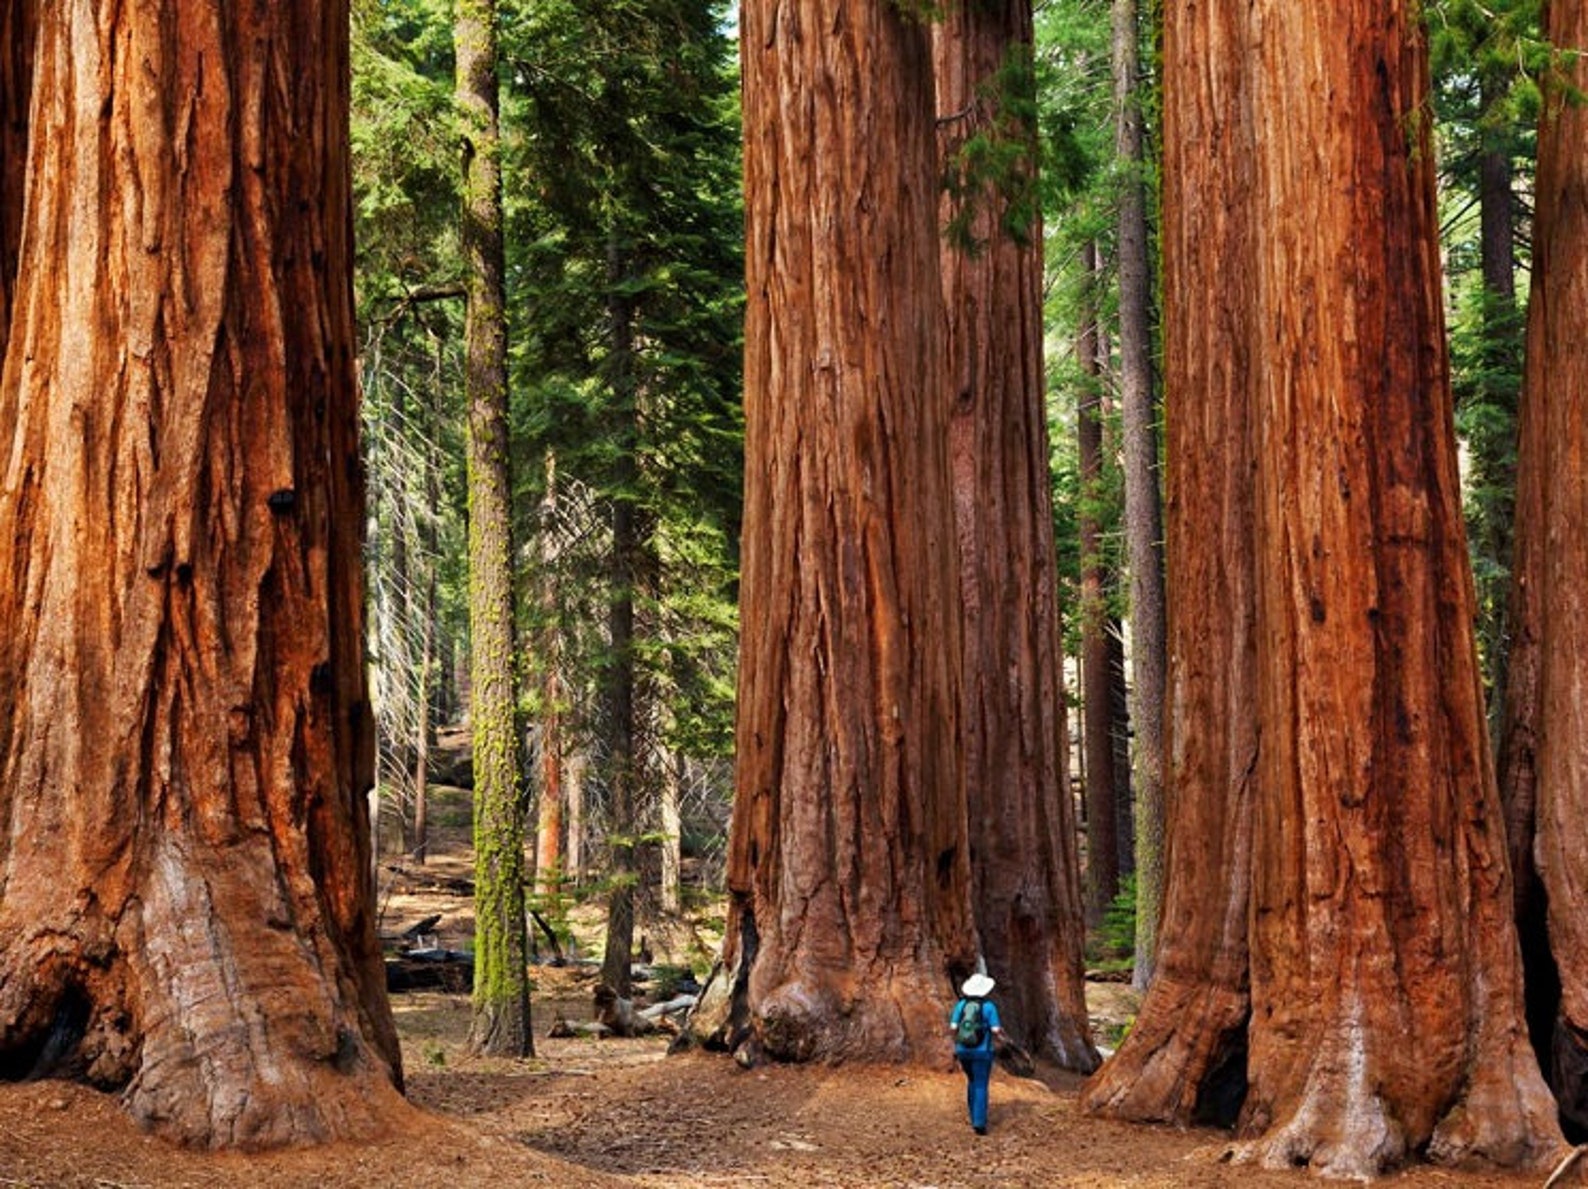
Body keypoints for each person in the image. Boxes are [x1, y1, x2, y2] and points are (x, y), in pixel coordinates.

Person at [949, 972, 1004, 1135]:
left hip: (963, 1050)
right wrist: (999, 1032)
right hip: (982, 1051)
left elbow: (953, 1027)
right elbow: (995, 1029)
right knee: (981, 1083)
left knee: (971, 1080)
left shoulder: (961, 1005)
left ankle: (973, 1113)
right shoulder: (989, 1006)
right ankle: (979, 1122)